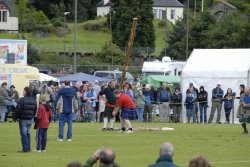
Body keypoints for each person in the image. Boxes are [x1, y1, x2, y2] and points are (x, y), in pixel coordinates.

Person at [16, 86, 37, 152]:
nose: (22, 92)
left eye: (23, 90)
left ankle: (25, 148)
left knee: (24, 134)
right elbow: (35, 110)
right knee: (28, 133)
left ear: (26, 92)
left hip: (23, 119)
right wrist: (32, 116)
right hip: (30, 119)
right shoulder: (33, 100)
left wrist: (17, 117)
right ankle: (28, 147)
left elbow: (18, 109)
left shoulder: (21, 99)